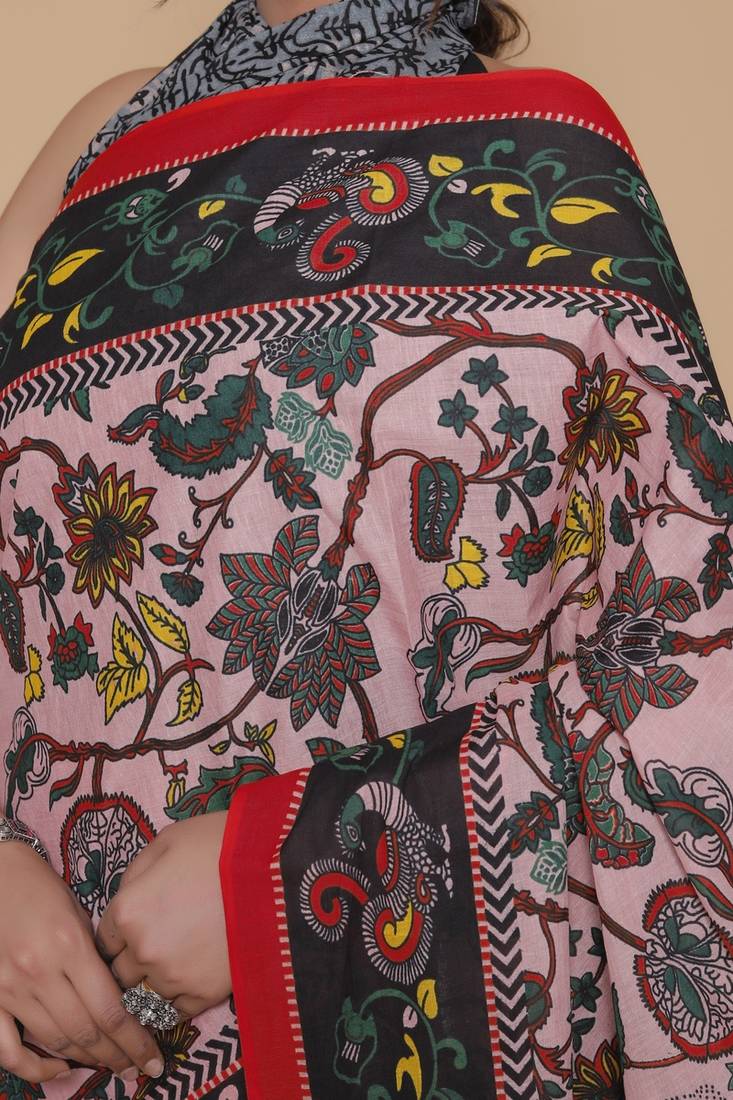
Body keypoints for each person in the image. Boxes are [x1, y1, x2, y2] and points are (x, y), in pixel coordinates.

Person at [1, 1, 731, 1098]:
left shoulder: (550, 170)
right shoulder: (101, 152)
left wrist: (297, 864)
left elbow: (686, 679)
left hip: (415, 1043)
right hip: (79, 1047)